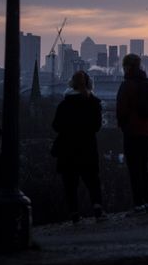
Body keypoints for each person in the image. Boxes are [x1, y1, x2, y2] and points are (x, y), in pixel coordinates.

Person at [52, 70, 106, 223]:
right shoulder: (94, 103)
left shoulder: (64, 104)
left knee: (70, 183)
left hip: (67, 148)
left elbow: (56, 125)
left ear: (71, 84)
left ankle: (74, 213)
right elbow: (96, 126)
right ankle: (97, 208)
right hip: (87, 147)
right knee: (92, 180)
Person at [117, 53, 148, 212]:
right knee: (144, 167)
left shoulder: (127, 85)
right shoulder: (147, 83)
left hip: (132, 131)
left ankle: (138, 204)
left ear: (127, 67)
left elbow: (121, 110)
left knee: (134, 168)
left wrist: (123, 125)